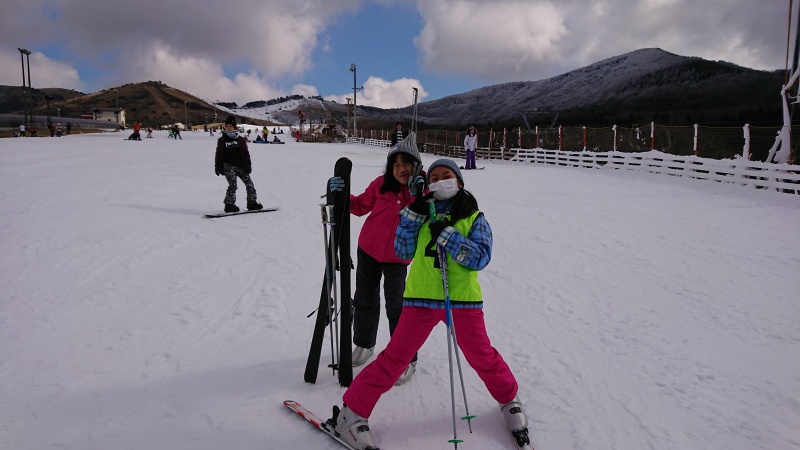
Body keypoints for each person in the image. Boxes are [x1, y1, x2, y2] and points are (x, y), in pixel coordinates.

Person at [330, 159, 530, 450]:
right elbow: (402, 251)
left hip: (462, 302)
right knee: (395, 359)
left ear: (458, 182)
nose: (439, 182)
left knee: (483, 356)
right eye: (434, 178)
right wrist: (414, 213)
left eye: (446, 176)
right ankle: (351, 414)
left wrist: (447, 235)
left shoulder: (474, 217)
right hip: (420, 301)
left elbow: (480, 258)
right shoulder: (420, 212)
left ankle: (509, 400)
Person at [329, 133, 425, 384]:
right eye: (396, 164)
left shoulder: (423, 191)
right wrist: (339, 193)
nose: (401, 169)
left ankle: (405, 357)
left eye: (406, 163)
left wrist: (421, 194)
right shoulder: (381, 184)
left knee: (398, 307)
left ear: (416, 165)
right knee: (365, 299)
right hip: (368, 250)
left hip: (398, 258)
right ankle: (364, 343)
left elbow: (432, 216)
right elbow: (360, 206)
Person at [214, 116, 263, 213]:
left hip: (240, 165)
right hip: (228, 165)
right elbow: (218, 153)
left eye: (230, 126)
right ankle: (229, 205)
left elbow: (245, 153)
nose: (228, 128)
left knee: (249, 184)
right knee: (233, 185)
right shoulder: (222, 140)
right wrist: (217, 166)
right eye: (227, 126)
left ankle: (252, 203)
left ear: (234, 127)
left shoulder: (240, 139)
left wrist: (248, 166)